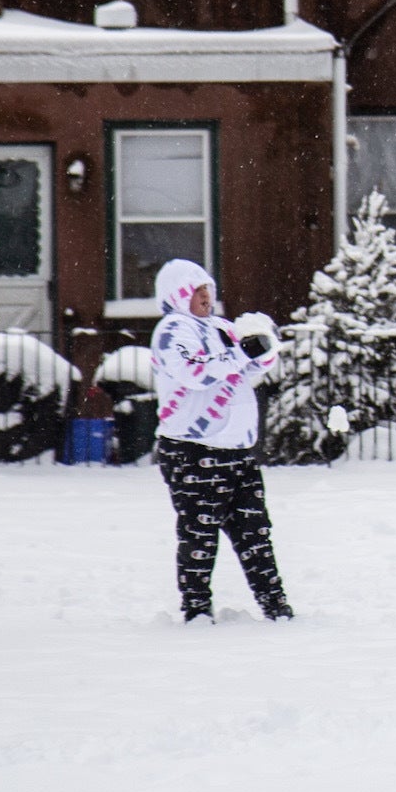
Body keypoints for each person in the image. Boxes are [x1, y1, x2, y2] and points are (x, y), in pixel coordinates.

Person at [150, 258, 292, 624]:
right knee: (200, 534)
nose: (205, 297)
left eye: (208, 290)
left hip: (237, 452)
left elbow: (246, 367)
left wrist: (263, 350)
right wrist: (241, 352)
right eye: (197, 291)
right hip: (193, 452)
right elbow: (195, 372)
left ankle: (276, 607)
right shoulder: (172, 330)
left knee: (255, 533)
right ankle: (196, 611)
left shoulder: (220, 327)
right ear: (177, 294)